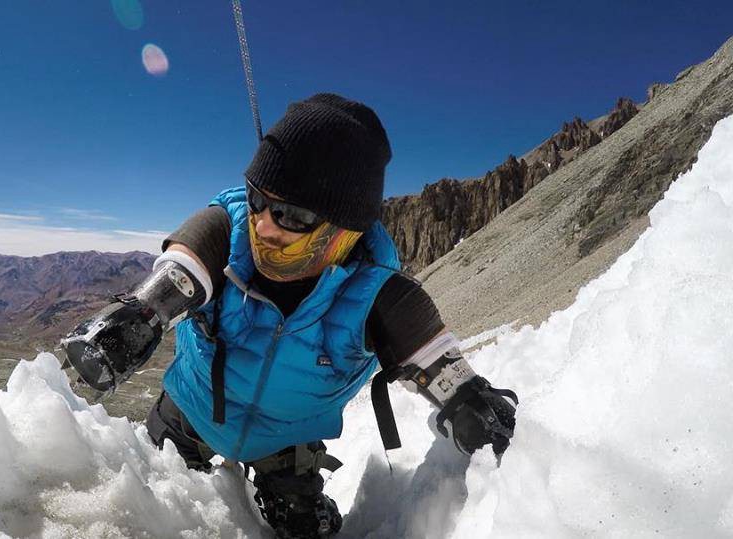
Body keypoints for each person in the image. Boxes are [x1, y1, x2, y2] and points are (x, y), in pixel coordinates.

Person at [62, 93, 517, 538]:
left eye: (291, 214)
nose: (263, 225)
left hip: (286, 443)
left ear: (345, 228)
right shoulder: (230, 231)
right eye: (258, 199)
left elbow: (459, 391)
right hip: (189, 412)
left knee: (305, 529)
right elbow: (183, 268)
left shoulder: (381, 298)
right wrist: (134, 320)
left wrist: (483, 421)